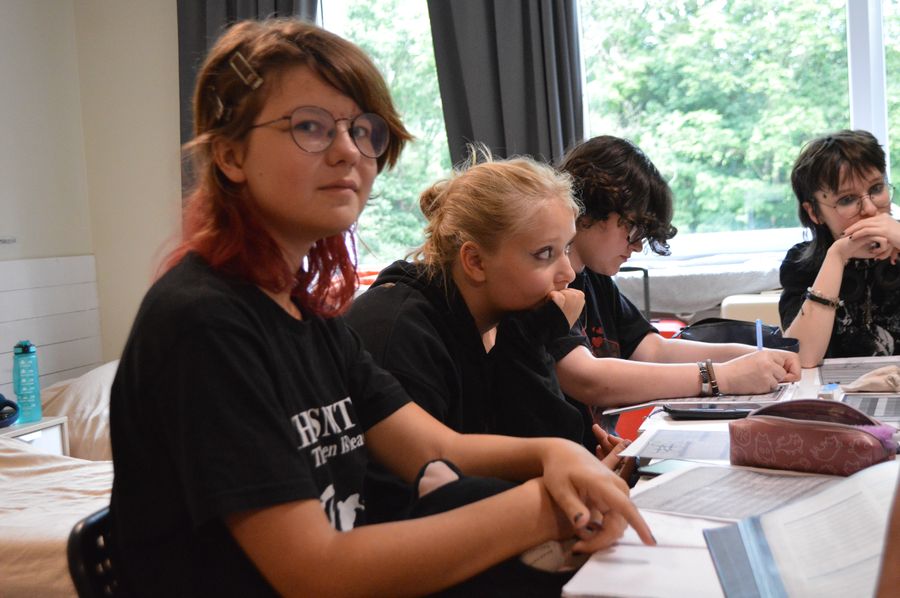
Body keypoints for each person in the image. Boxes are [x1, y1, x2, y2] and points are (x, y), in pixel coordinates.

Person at [108, 18, 653, 597]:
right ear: (230, 154)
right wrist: (549, 507)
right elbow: (315, 573)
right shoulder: (204, 322)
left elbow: (439, 447)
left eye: (362, 130)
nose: (349, 150)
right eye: (310, 127)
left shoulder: (307, 317)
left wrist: (557, 455)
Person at [346, 147, 624, 522]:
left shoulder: (506, 320)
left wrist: (586, 468)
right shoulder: (401, 335)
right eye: (545, 253)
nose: (568, 273)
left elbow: (530, 447)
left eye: (567, 248)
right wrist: (573, 493)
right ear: (475, 261)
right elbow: (424, 499)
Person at [551, 136, 801, 427]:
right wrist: (723, 376)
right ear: (591, 211)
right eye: (633, 229)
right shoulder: (548, 287)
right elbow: (588, 379)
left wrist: (758, 357)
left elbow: (655, 351)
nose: (637, 246)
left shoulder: (596, 280)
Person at [779, 129, 900, 367]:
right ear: (814, 212)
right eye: (847, 199)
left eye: (876, 188)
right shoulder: (801, 264)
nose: (869, 209)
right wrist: (837, 256)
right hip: (839, 390)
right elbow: (804, 358)